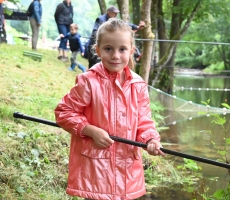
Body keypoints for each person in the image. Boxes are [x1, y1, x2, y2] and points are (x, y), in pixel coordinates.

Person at [54, 18, 164, 200]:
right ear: (97, 50)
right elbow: (64, 112)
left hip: (128, 169)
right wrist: (91, 131)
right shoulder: (88, 82)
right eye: (108, 49)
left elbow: (144, 122)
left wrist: (151, 139)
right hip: (96, 170)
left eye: (122, 49)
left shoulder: (138, 85)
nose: (115, 55)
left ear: (131, 51)